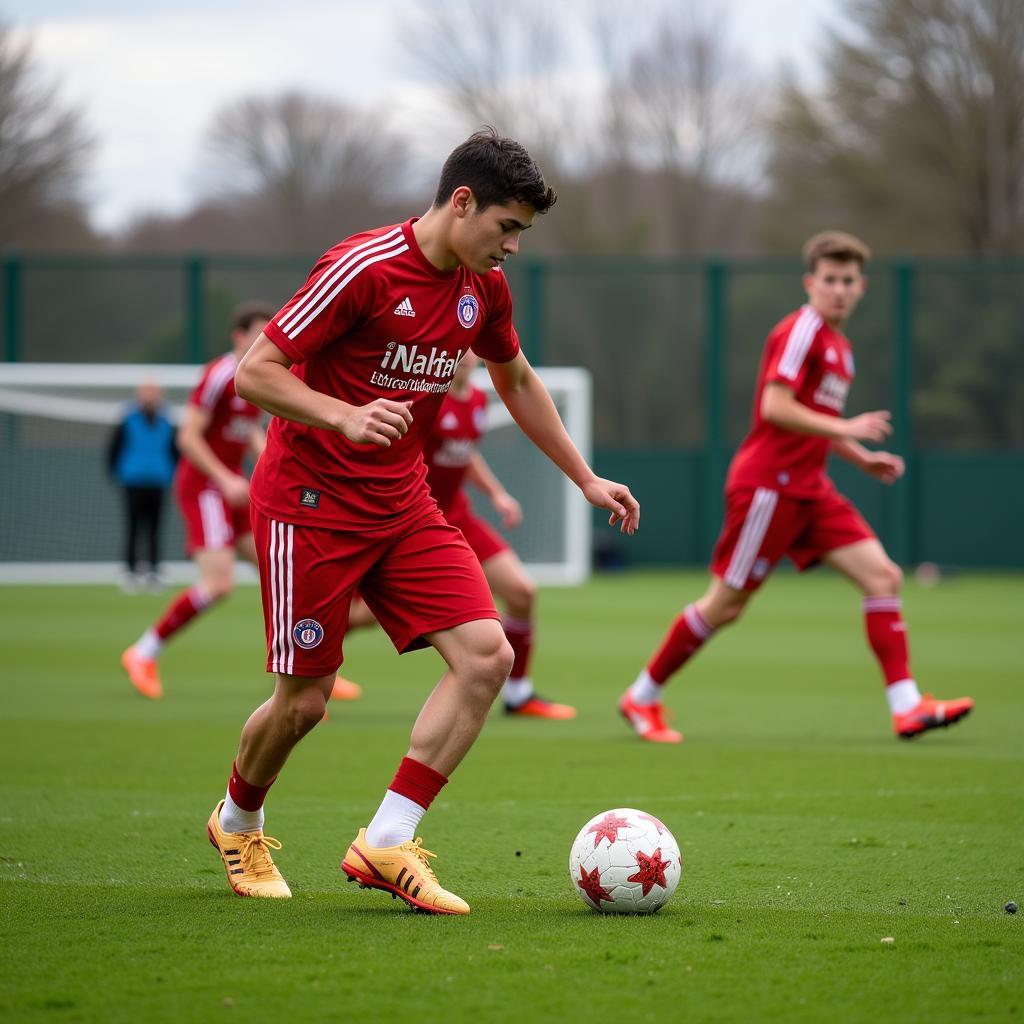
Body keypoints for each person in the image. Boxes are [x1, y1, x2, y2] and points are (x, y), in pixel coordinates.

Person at [204, 128, 639, 913]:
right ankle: (237, 820)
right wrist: (342, 416)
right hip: (309, 504)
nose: (512, 248)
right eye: (507, 228)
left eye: (522, 236)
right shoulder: (362, 268)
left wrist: (584, 476)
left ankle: (386, 840)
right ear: (462, 201)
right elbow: (255, 373)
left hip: (403, 504)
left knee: (485, 656)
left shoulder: (484, 289)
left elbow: (517, 379)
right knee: (305, 702)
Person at [619, 231, 973, 744]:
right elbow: (775, 408)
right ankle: (642, 695)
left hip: (811, 488)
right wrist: (847, 431)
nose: (839, 289)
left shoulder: (842, 350)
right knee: (726, 604)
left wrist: (861, 457)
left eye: (848, 280)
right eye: (829, 279)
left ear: (862, 287)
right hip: (768, 487)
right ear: (810, 283)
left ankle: (907, 706)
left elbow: (818, 419)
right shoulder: (802, 330)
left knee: (883, 576)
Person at [337, 350, 576, 719]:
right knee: (364, 617)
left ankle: (518, 694)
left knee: (522, 591)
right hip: (415, 517)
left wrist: (497, 493)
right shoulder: (427, 398)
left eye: (471, 352)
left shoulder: (478, 399)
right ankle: (311, 672)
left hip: (459, 515)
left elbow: (464, 455)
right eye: (457, 351)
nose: (464, 357)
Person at [119, 303, 272, 700]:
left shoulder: (257, 375)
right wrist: (224, 478)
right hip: (207, 487)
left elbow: (249, 431)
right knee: (219, 584)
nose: (266, 340)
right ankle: (143, 652)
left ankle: (304, 671)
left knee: (279, 572)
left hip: (234, 488)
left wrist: (271, 465)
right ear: (238, 337)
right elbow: (188, 437)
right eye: (258, 333)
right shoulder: (220, 374)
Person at [106, 380, 178, 592]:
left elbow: (175, 451)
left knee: (155, 529)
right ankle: (129, 571)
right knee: (133, 527)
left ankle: (154, 571)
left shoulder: (166, 420)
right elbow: (114, 449)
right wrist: (118, 474)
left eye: (153, 391)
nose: (149, 396)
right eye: (146, 391)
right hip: (133, 481)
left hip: (158, 481)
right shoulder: (127, 419)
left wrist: (171, 473)